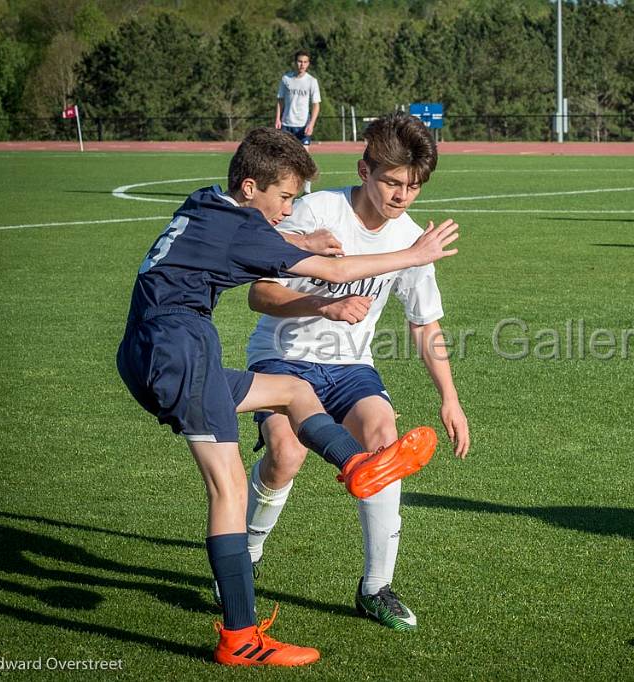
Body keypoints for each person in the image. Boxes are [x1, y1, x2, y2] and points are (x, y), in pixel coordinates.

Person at [115, 127, 458, 666]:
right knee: (233, 485)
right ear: (251, 187)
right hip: (185, 351)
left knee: (299, 398)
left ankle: (358, 475)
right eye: (284, 200)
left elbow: (249, 247)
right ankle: (240, 634)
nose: (287, 209)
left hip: (151, 349)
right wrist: (410, 254)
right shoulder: (286, 217)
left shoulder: (206, 203)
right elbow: (322, 274)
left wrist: (299, 243)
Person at [233, 112, 470, 633]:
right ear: (364, 170)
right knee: (285, 454)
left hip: (350, 369)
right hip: (282, 357)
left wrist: (449, 398)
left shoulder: (412, 241)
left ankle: (375, 587)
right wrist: (320, 306)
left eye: (412, 186)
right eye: (391, 181)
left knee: (386, 442)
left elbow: (424, 322)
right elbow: (260, 293)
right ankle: (248, 552)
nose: (402, 195)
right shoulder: (316, 211)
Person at [276, 50, 321, 193]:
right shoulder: (286, 79)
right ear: (295, 62)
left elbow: (316, 105)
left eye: (305, 62)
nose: (302, 64)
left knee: (305, 156)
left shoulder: (311, 81)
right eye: (300, 61)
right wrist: (278, 118)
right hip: (287, 124)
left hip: (302, 125)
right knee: (284, 157)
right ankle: (284, 185)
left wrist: (311, 124)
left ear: (308, 64)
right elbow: (280, 101)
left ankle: (307, 187)